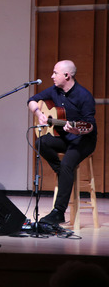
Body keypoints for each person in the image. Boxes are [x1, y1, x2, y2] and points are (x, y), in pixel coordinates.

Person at [27, 60, 96, 225]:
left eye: (55, 73)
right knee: (41, 142)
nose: (52, 76)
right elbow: (32, 100)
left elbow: (90, 126)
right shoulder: (55, 90)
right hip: (65, 138)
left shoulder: (84, 96)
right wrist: (39, 113)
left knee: (67, 164)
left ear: (67, 75)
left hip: (83, 140)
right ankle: (62, 172)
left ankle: (58, 212)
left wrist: (77, 130)